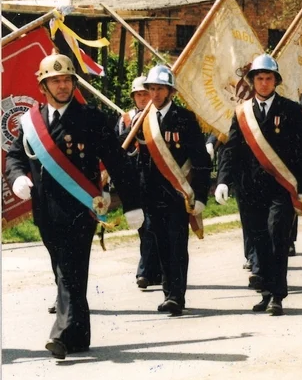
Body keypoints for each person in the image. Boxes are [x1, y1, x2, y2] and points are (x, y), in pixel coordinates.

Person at [5, 52, 138, 359]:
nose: (62, 86)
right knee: (65, 271)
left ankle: (61, 335)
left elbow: (117, 162)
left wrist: (132, 204)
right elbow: (14, 156)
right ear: (43, 86)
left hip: (82, 208)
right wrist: (17, 178)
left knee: (69, 268)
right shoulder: (31, 121)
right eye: (55, 81)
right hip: (45, 211)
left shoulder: (91, 118)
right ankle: (80, 336)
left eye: (67, 80)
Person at [216, 54, 302, 314]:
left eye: (269, 78)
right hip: (249, 188)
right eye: (259, 78)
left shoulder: (290, 109)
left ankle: (278, 295)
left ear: (276, 81)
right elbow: (231, 149)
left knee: (277, 237)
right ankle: (266, 292)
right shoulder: (242, 112)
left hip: (280, 188)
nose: (264, 83)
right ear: (252, 81)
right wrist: (223, 181)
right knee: (258, 240)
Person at [137, 65, 210, 316]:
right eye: (151, 89)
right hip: (151, 195)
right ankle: (168, 292)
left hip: (178, 195)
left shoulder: (185, 119)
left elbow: (200, 160)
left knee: (177, 244)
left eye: (159, 89)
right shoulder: (142, 120)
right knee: (160, 245)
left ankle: (177, 296)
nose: (155, 94)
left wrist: (200, 195)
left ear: (170, 91)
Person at [116, 75, 162, 290]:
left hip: (155, 177)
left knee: (152, 224)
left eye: (145, 93)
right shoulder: (125, 119)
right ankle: (154, 269)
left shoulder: (157, 116)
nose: (142, 98)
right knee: (143, 226)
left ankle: (144, 270)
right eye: (139, 94)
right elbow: (118, 146)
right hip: (133, 178)